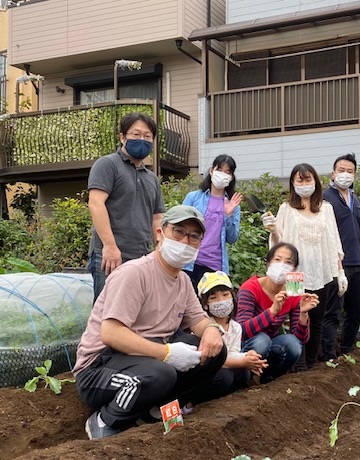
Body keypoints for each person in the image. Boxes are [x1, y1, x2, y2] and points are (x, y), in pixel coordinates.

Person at [73, 205, 227, 440]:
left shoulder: (183, 281)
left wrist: (212, 330)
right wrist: (166, 352)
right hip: (100, 368)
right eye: (179, 232)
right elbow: (111, 334)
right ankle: (105, 419)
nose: (185, 241)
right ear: (159, 233)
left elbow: (198, 320)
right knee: (161, 373)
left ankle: (154, 413)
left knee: (215, 352)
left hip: (143, 360)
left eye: (194, 236)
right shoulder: (134, 273)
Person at [261, 163, 343, 369]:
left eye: (308, 179)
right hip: (295, 275)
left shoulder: (327, 209)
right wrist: (272, 229)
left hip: (322, 273)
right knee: (297, 318)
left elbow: (334, 242)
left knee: (317, 319)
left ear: (315, 182)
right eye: (300, 180)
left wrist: (340, 271)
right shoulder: (286, 209)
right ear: (293, 183)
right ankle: (298, 365)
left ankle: (312, 363)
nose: (304, 184)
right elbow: (279, 243)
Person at [87, 112, 165, 301]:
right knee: (106, 314)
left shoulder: (151, 178)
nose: (142, 140)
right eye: (136, 134)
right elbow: (96, 204)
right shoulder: (108, 164)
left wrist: (160, 251)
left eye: (147, 136)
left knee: (137, 312)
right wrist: (110, 246)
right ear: (123, 137)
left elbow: (157, 217)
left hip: (142, 256)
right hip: (111, 255)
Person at [182, 271, 268, 414]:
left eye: (225, 295)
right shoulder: (204, 327)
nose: (221, 301)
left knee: (244, 373)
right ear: (205, 305)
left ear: (233, 297)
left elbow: (234, 352)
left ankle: (224, 401)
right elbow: (208, 359)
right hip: (206, 371)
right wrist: (243, 361)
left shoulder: (235, 327)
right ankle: (194, 404)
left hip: (225, 366)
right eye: (214, 297)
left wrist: (248, 356)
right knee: (224, 378)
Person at [236, 242, 319, 382]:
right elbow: (241, 331)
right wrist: (272, 311)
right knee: (262, 340)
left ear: (294, 269)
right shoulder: (250, 288)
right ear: (268, 263)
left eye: (288, 262)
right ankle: (246, 379)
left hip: (272, 345)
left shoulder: (293, 289)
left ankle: (271, 379)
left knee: (292, 345)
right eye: (277, 259)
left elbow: (300, 340)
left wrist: (303, 314)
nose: (281, 265)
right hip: (248, 344)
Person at [321, 153, 360, 359]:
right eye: (341, 170)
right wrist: (336, 262)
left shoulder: (355, 198)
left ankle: (347, 350)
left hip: (358, 263)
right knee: (332, 312)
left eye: (349, 171)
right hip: (337, 265)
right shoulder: (325, 197)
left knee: (354, 311)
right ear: (333, 173)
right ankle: (328, 355)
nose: (345, 175)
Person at [182, 154, 242, 290]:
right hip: (190, 262)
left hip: (214, 267)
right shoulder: (193, 197)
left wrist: (228, 215)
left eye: (228, 172)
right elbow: (179, 226)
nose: (223, 175)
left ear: (231, 177)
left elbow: (232, 239)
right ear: (211, 171)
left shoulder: (233, 204)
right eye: (219, 170)